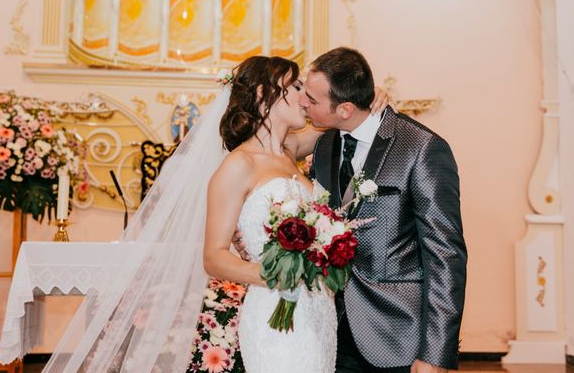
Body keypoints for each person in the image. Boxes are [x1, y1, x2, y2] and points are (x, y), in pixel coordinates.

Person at [42, 55, 388, 373]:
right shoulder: (238, 165)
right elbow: (214, 258)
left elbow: (345, 115)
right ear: (266, 94)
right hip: (275, 311)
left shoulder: (289, 152)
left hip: (318, 314)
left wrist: (372, 97)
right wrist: (279, 275)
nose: (304, 97)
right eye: (295, 87)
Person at [300, 47, 467, 373]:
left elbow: (445, 256)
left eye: (312, 98)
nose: (303, 102)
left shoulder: (421, 148)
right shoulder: (324, 146)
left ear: (345, 108)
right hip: (333, 333)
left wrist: (435, 353)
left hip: (398, 336)